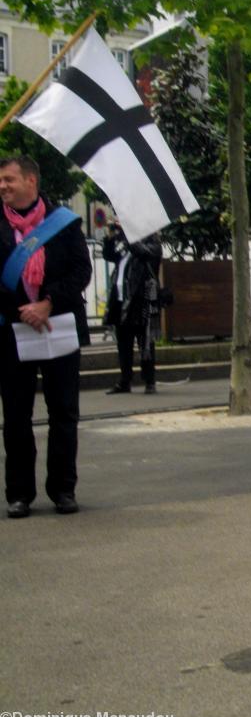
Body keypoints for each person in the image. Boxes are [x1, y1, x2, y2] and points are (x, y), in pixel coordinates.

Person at [0, 156, 91, 518]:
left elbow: (81, 270)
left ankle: (63, 490)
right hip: (12, 330)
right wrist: (23, 309)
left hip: (58, 327)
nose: (3, 186)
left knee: (64, 413)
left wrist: (48, 303)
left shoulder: (64, 223)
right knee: (17, 416)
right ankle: (19, 494)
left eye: (9, 179)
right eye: (0, 181)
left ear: (31, 181)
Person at [102, 222, 162, 394]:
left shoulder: (153, 244)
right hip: (121, 301)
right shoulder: (125, 245)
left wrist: (128, 233)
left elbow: (141, 252)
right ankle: (125, 381)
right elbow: (109, 255)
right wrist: (110, 237)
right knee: (123, 343)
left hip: (141, 300)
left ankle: (149, 381)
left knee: (145, 343)